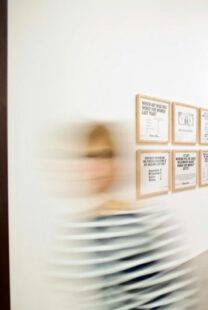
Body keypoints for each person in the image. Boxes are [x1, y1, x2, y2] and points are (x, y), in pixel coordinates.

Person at [51, 123, 197, 309]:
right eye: (89, 156)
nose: (94, 167)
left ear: (116, 164)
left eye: (104, 156)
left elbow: (159, 299)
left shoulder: (126, 226)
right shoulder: (89, 223)